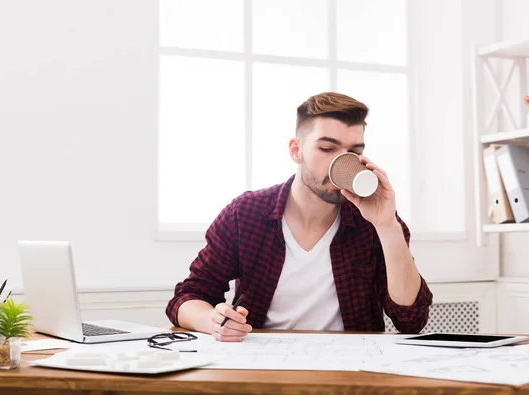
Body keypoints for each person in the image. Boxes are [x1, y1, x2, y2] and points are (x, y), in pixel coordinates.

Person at [165, 92, 432, 342]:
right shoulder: (246, 214)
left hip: (352, 371)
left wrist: (387, 225)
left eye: (355, 152)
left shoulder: (373, 220)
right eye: (327, 148)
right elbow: (186, 298)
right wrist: (213, 321)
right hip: (266, 367)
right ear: (296, 151)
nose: (342, 164)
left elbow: (411, 320)